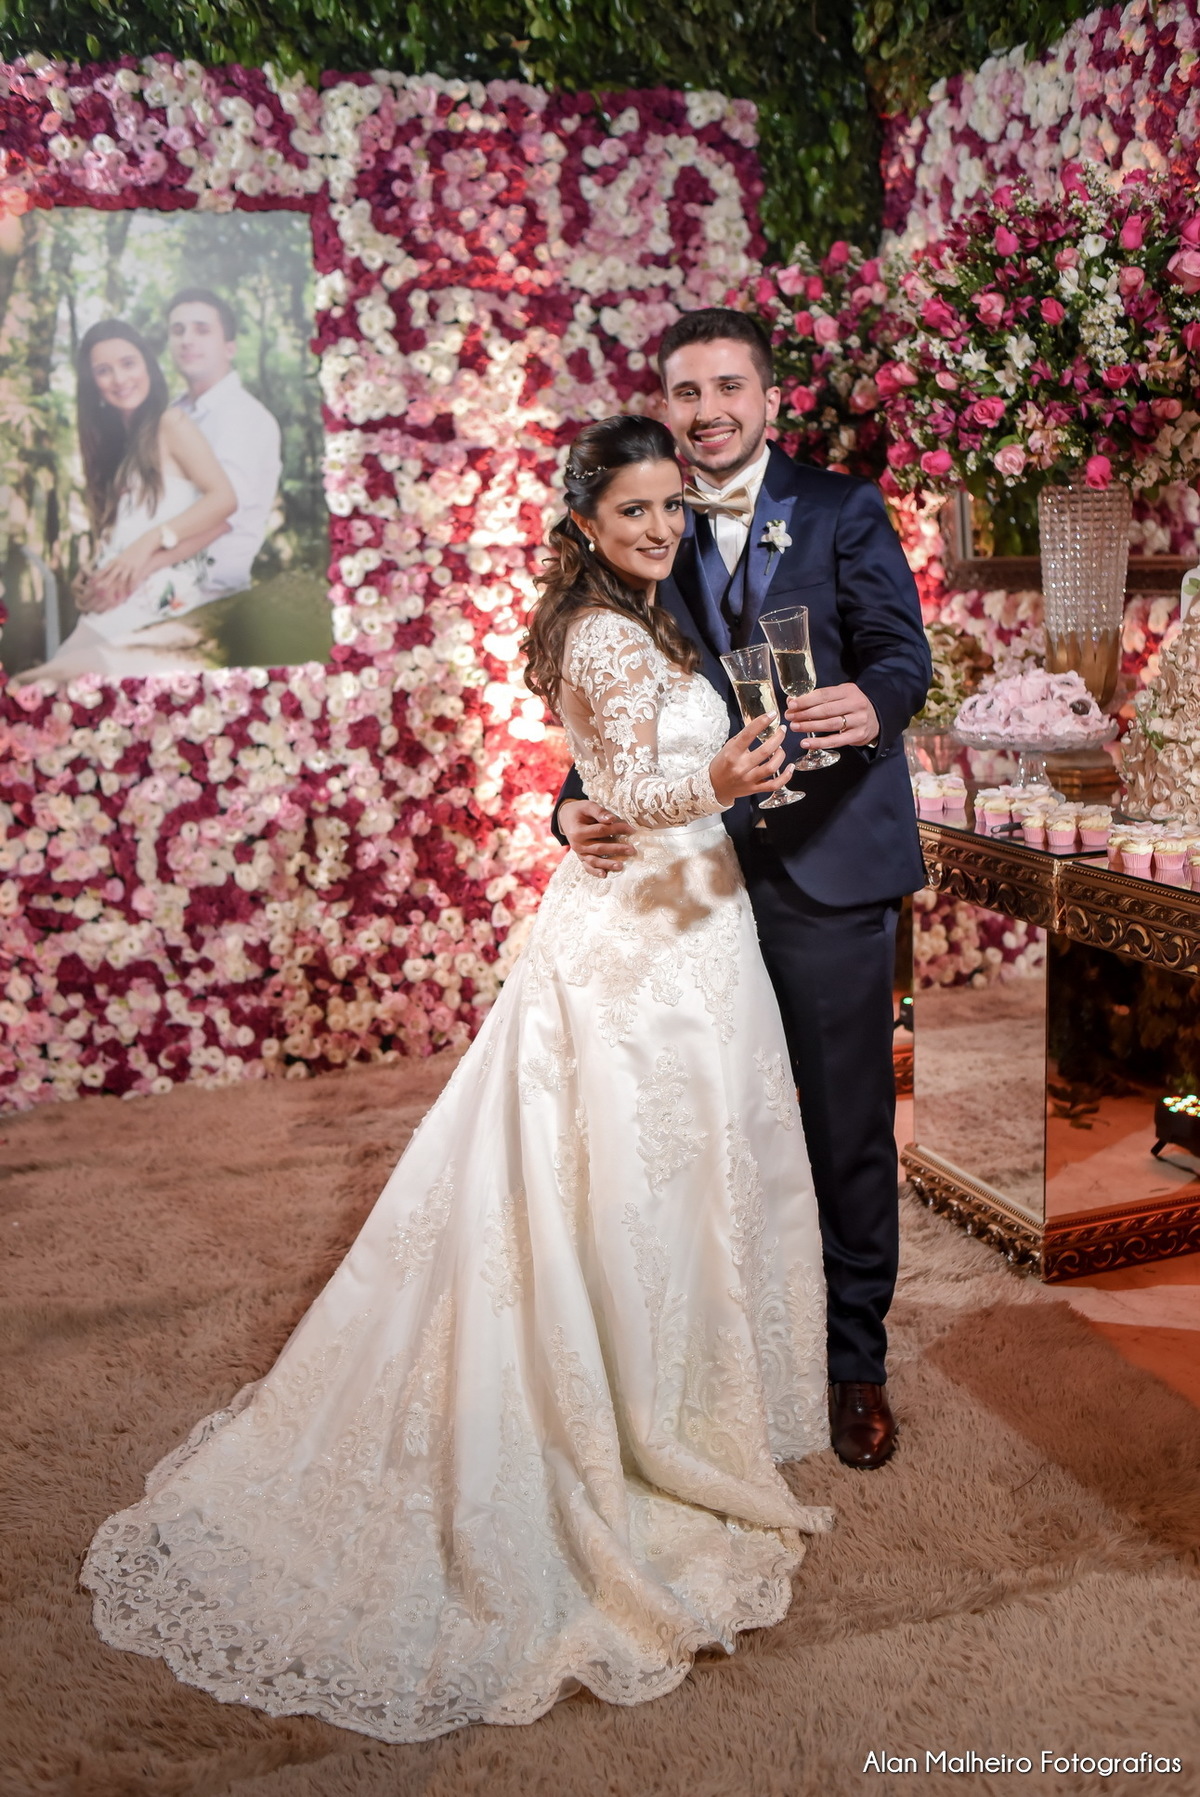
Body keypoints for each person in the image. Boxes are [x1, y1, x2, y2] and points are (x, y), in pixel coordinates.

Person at [82, 415, 833, 1744]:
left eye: (671, 506)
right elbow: (629, 773)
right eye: (635, 512)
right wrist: (705, 779)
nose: (661, 527)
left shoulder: (656, 608)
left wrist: (658, 789)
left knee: (695, 1174)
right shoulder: (604, 632)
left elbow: (598, 781)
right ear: (585, 526)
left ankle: (691, 1397)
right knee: (619, 1185)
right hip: (637, 953)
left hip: (694, 927)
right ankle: (629, 1421)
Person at [555, 310, 932, 1470]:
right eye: (686, 389)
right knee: (723, 1136)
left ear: (770, 400)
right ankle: (730, 1356)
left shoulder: (838, 507)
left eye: (730, 386)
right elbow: (618, 710)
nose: (709, 408)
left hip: (823, 869)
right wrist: (561, 806)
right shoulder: (642, 524)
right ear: (663, 403)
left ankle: (855, 1363)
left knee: (843, 1127)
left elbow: (900, 650)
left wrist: (879, 703)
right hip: (695, 890)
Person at [18, 320, 237, 684]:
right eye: (104, 371)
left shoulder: (172, 423)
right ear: (95, 387)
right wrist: (90, 576)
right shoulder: (118, 452)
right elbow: (123, 540)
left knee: (34, 689)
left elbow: (224, 506)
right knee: (41, 700)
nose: (119, 378)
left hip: (157, 606)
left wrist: (147, 546)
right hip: (111, 609)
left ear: (148, 367)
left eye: (128, 363)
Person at [166, 287, 282, 597]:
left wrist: (137, 562)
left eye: (202, 330)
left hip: (208, 597)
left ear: (229, 348)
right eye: (178, 331)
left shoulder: (244, 417)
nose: (187, 339)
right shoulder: (173, 413)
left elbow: (223, 517)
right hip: (159, 588)